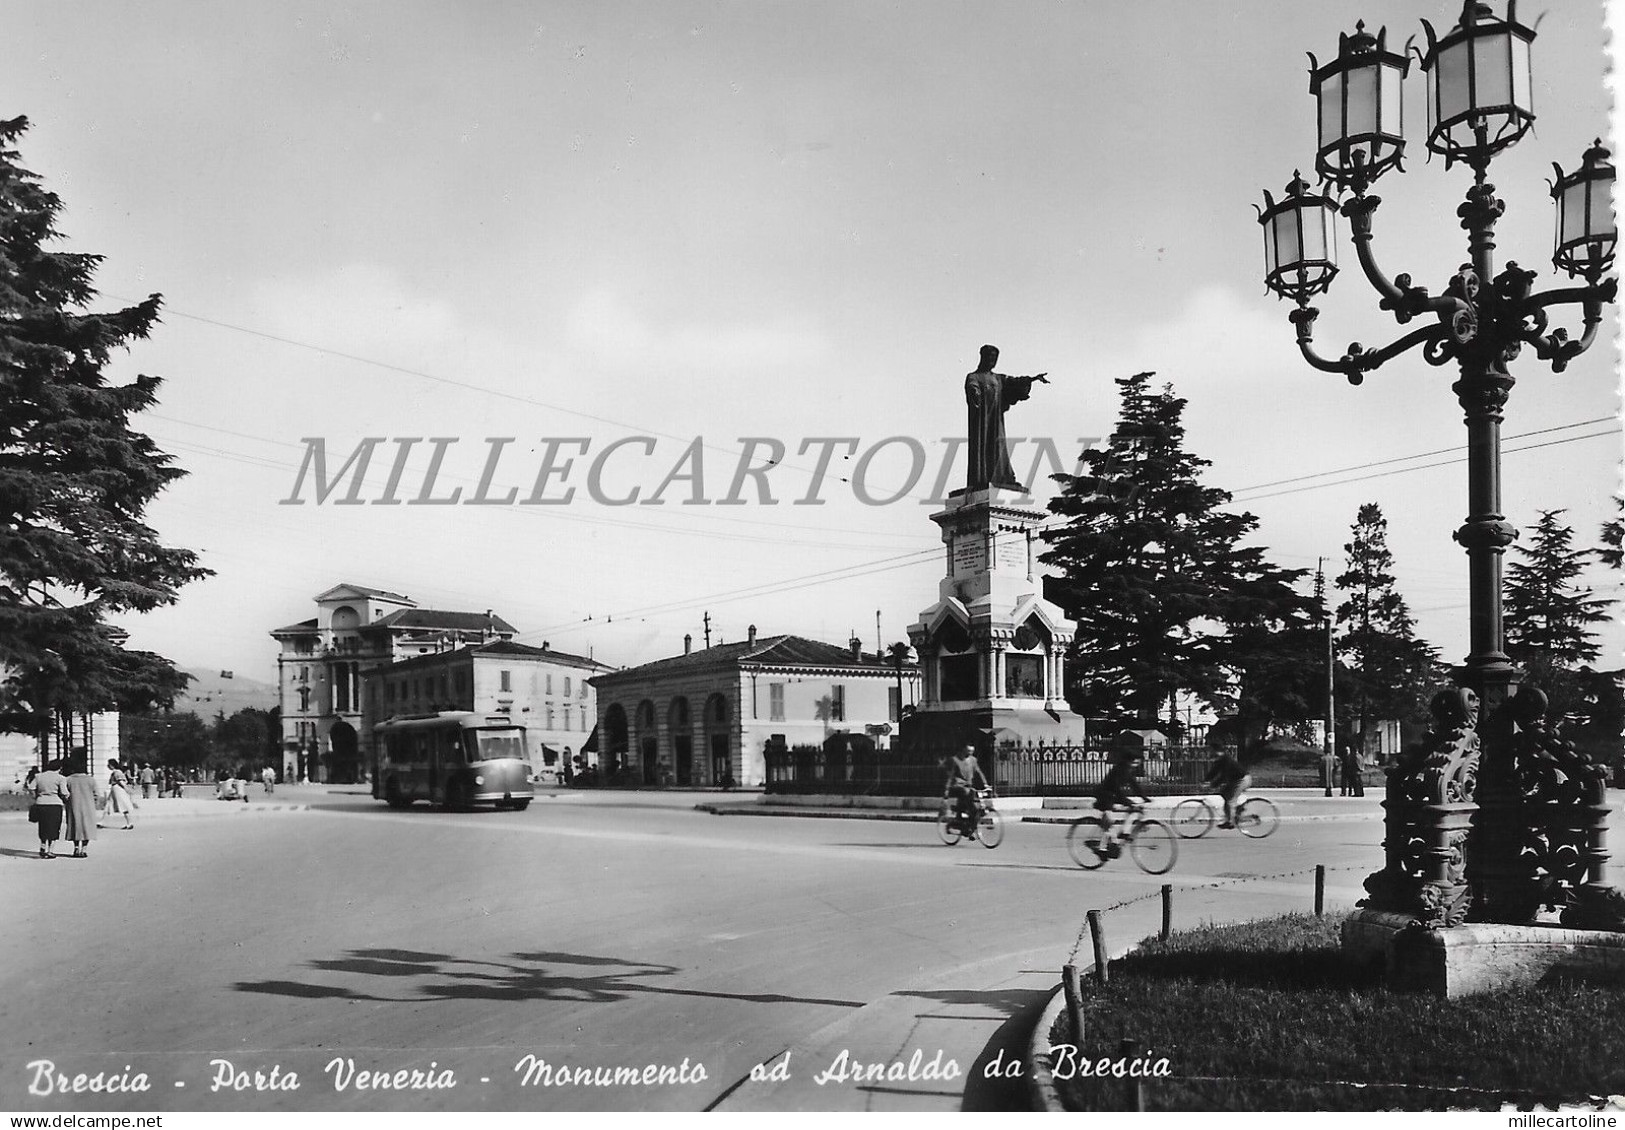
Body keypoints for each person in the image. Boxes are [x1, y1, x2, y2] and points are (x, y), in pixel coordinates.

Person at [964, 344, 1049, 490]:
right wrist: (974, 392)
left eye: (994, 358)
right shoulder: (973, 377)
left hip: (996, 423)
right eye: (990, 358)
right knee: (983, 448)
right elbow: (972, 387)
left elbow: (1014, 382)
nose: (992, 361)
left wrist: (1032, 379)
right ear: (983, 357)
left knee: (999, 446)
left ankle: (1003, 477)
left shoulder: (998, 378)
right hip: (981, 423)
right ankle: (982, 479)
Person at [1093, 748, 1150, 849]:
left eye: (1138, 762)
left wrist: (1144, 797)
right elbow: (1115, 788)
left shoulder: (1128, 770)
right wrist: (1126, 801)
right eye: (1135, 761)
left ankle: (1123, 834)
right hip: (1105, 796)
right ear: (1129, 761)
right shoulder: (1119, 769)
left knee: (1133, 810)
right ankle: (1102, 848)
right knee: (1109, 822)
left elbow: (1134, 785)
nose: (1136, 764)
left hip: (1114, 796)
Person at [942, 744, 990, 838]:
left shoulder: (973, 760)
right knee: (972, 806)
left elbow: (978, 772)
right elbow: (950, 776)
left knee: (975, 809)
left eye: (972, 751)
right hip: (958, 787)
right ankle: (968, 829)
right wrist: (946, 789)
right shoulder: (954, 760)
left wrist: (985, 784)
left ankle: (968, 828)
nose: (970, 753)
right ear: (963, 750)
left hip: (968, 787)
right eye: (968, 751)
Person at [62, 750, 100, 858]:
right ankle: (84, 849)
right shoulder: (91, 780)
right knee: (87, 828)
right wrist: (94, 803)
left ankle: (76, 848)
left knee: (75, 827)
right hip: (88, 807)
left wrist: (67, 802)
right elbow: (97, 794)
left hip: (73, 807)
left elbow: (64, 794)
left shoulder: (68, 779)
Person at [30, 760, 70, 859]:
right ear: (59, 768)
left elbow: (31, 788)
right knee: (54, 827)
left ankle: (43, 846)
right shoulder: (61, 778)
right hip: (55, 804)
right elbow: (65, 793)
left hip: (41, 803)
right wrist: (66, 799)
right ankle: (50, 850)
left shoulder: (38, 776)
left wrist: (36, 797)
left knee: (43, 826)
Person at [1204, 750, 1250, 829]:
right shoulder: (1220, 761)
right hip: (1236, 780)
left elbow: (1223, 776)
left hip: (1242, 780)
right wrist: (1205, 780)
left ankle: (1230, 821)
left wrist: (1213, 784)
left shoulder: (1226, 761)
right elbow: (1214, 772)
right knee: (1224, 794)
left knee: (1230, 800)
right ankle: (1235, 812)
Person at [100, 759, 136, 829]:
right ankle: (101, 821)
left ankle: (129, 822)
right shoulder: (115, 772)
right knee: (108, 805)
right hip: (114, 790)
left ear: (111, 765)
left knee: (123, 806)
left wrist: (127, 790)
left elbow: (121, 782)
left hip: (118, 790)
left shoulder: (117, 773)